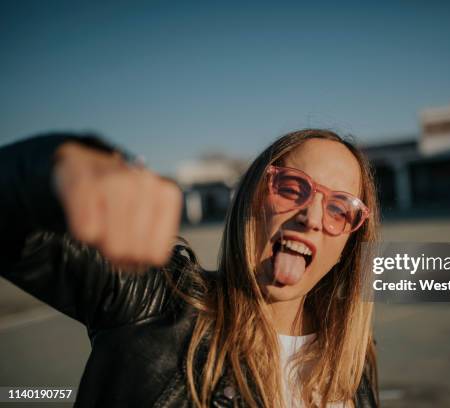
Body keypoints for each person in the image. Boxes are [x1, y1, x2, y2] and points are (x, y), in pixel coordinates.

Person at [0, 129, 380, 407]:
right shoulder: (156, 309)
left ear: (348, 243)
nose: (312, 217)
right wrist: (63, 166)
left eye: (339, 208)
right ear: (251, 198)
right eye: (292, 187)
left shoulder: (352, 356)